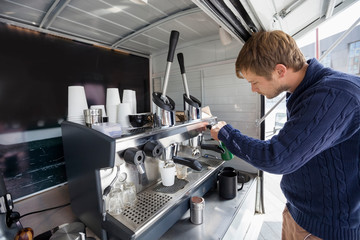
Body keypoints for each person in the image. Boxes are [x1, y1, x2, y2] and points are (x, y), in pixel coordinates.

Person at [210, 30, 360, 240]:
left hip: (325, 230)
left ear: (280, 70)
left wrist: (226, 134)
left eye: (254, 82)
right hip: (299, 214)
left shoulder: (334, 94)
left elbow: (277, 157)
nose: (253, 89)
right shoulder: (303, 92)